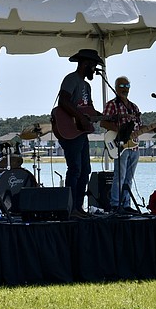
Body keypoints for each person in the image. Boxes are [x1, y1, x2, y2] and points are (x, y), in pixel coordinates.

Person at [54, 48, 104, 218]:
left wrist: (108, 117)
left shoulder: (87, 86)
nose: (95, 69)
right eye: (93, 65)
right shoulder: (71, 79)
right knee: (75, 168)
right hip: (70, 130)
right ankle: (71, 208)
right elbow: (63, 101)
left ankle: (78, 206)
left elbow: (88, 110)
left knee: (85, 170)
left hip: (80, 133)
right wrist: (80, 118)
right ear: (86, 63)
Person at [100, 76, 156, 214]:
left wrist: (152, 127)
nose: (124, 89)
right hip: (120, 144)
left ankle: (125, 204)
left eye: (127, 86)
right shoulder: (112, 105)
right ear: (116, 87)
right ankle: (115, 204)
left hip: (134, 147)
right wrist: (121, 131)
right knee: (119, 176)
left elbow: (138, 126)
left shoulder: (134, 107)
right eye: (121, 86)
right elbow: (103, 122)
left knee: (129, 178)